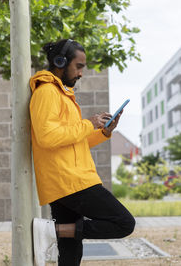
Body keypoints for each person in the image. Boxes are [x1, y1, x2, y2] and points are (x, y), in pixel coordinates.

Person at [29, 39, 135, 266]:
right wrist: (89, 123)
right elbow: (47, 137)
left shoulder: (61, 94)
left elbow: (73, 142)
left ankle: (53, 231)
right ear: (60, 62)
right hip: (69, 181)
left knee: (70, 254)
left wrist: (103, 132)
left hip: (66, 180)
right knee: (123, 222)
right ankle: (50, 231)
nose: (80, 73)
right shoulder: (47, 92)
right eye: (78, 67)